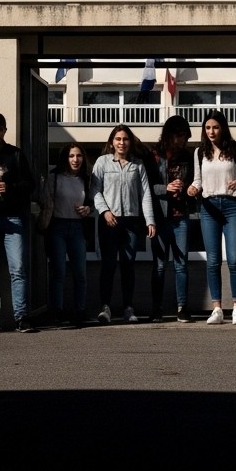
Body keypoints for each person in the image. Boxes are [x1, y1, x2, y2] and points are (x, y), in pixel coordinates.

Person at [186, 110, 236, 326]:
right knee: (213, 261)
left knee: (234, 259)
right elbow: (197, 180)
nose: (211, 131)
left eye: (215, 127)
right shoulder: (199, 152)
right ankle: (217, 309)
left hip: (232, 206)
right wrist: (192, 189)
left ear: (222, 128)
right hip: (209, 207)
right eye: (207, 128)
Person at [91, 124, 157, 324]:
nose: (122, 143)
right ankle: (105, 307)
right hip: (109, 221)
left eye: (125, 139)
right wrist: (105, 211)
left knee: (128, 265)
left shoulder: (137, 165)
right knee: (108, 264)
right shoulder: (102, 162)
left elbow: (145, 194)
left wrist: (150, 220)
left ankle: (128, 307)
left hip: (131, 221)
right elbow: (95, 189)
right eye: (118, 139)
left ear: (130, 142)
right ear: (112, 142)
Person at [0, 111, 38, 333]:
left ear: (5, 130)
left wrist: (10, 188)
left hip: (13, 217)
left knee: (18, 269)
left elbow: (30, 184)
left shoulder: (15, 154)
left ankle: (21, 318)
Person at [42, 142, 95, 328]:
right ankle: (57, 311)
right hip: (58, 226)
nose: (75, 159)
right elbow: (46, 202)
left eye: (79, 156)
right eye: (71, 156)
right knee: (59, 271)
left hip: (78, 227)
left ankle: (79, 310)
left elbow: (93, 202)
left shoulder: (86, 179)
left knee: (80, 272)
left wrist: (88, 209)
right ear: (65, 158)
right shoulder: (54, 177)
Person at [149, 115, 196, 322]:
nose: (182, 140)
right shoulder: (154, 156)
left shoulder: (188, 157)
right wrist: (165, 188)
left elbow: (195, 183)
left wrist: (188, 189)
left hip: (180, 216)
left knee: (181, 264)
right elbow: (146, 187)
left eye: (185, 136)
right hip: (160, 217)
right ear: (169, 135)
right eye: (179, 135)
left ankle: (182, 307)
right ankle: (156, 309)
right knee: (159, 265)